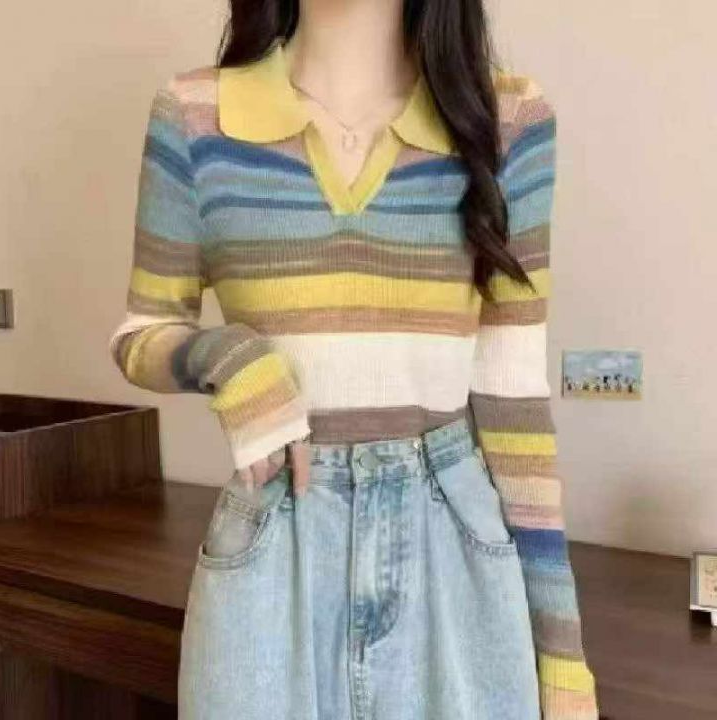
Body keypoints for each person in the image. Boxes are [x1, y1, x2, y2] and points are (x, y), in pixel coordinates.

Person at [108, 1, 600, 717]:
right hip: (275, 548)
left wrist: (562, 661)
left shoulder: (507, 123)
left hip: (455, 555)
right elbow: (143, 331)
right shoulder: (194, 117)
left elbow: (514, 403)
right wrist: (232, 359)